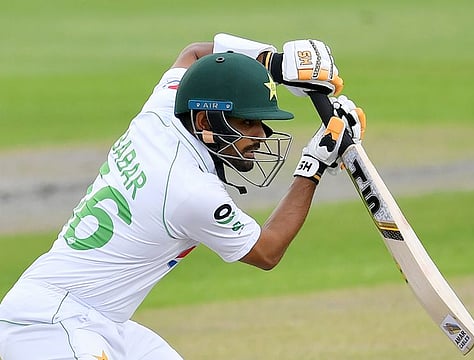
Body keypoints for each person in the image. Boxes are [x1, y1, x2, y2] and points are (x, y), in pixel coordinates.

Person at [0, 33, 365, 359]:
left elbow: (193, 55)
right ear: (205, 122)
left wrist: (276, 65)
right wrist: (312, 167)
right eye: (246, 123)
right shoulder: (190, 190)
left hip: (101, 320)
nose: (260, 136)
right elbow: (267, 252)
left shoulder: (162, 114)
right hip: (51, 325)